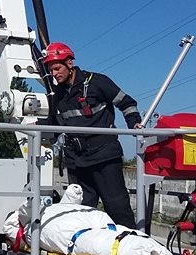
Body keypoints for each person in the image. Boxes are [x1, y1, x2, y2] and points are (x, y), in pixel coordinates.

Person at [41, 41, 142, 227]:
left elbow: (126, 103)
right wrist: (33, 130)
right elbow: (54, 124)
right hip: (77, 160)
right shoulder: (58, 94)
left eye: (56, 68)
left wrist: (134, 123)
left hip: (104, 155)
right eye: (51, 70)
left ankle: (132, 245)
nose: (54, 74)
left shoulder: (97, 82)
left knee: (117, 206)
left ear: (69, 63)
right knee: (81, 210)